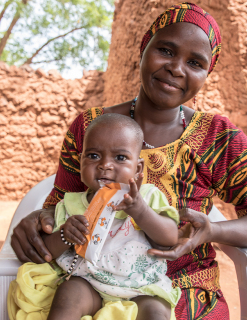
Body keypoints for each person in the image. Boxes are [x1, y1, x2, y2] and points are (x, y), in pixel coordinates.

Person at [11, 3, 247, 319]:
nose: (176, 68)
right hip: (86, 281)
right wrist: (40, 218)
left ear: (206, 73)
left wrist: (212, 231)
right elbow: (63, 202)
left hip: (181, 288)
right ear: (144, 49)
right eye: (166, 51)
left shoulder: (219, 137)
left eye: (195, 62)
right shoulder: (91, 127)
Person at [43, 113, 181, 320]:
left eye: (120, 157)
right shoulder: (71, 204)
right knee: (67, 296)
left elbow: (170, 239)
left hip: (142, 288)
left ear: (138, 168)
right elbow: (48, 251)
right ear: (81, 162)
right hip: (88, 282)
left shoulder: (148, 197)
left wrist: (140, 211)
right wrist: (65, 235)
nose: (105, 165)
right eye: (93, 156)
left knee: (156, 312)